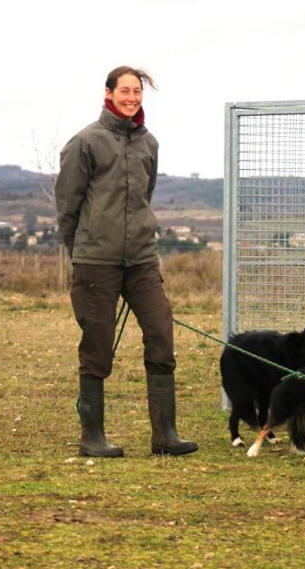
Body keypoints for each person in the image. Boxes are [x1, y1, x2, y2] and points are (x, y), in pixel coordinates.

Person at [55, 66, 198, 457]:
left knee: (161, 335)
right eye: (125, 91)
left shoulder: (148, 142)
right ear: (108, 93)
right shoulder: (85, 142)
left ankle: (165, 435)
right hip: (95, 262)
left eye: (137, 91)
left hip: (142, 260)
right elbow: (68, 206)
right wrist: (83, 248)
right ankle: (92, 437)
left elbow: (144, 196)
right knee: (97, 346)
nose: (132, 97)